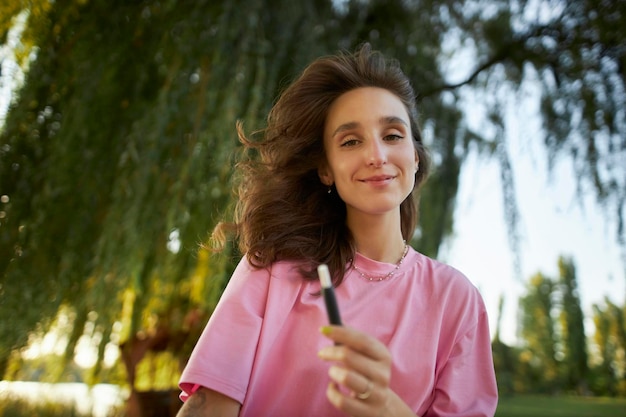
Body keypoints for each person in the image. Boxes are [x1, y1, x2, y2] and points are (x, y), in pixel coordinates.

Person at [176, 44, 498, 417]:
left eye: (393, 135)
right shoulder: (270, 269)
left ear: (415, 155)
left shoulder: (456, 300)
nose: (376, 155)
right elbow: (208, 407)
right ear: (326, 169)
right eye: (350, 141)